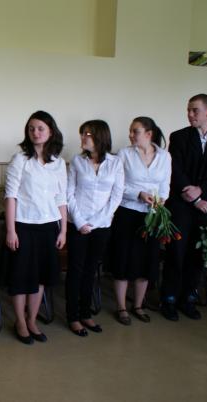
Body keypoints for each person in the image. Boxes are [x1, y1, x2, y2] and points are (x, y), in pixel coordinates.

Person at [161, 94, 207, 321]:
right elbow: (175, 170)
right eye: (188, 110)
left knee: (198, 254)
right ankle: (169, 299)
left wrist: (201, 190)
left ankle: (188, 299)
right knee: (176, 253)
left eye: (195, 110)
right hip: (181, 205)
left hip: (206, 206)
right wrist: (192, 197)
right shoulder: (179, 137)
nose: (190, 114)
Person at [3, 110, 67, 345]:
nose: (35, 132)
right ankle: (20, 321)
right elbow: (10, 196)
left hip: (49, 226)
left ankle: (32, 320)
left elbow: (61, 199)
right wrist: (11, 230)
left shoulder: (58, 163)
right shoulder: (20, 159)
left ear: (51, 131)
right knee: (21, 277)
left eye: (40, 128)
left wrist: (63, 230)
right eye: (31, 128)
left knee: (40, 277)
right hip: (23, 225)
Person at [109, 117, 171, 325]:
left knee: (147, 260)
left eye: (135, 131)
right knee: (123, 259)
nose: (130, 135)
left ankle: (138, 305)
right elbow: (118, 185)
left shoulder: (165, 156)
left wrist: (161, 200)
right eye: (130, 131)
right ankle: (121, 307)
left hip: (152, 215)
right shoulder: (124, 154)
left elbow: (165, 185)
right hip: (127, 213)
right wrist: (139, 194)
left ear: (148, 134)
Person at [66, 120, 123, 336]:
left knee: (91, 270)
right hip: (77, 224)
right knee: (76, 270)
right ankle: (73, 317)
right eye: (82, 134)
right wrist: (80, 222)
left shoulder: (116, 163)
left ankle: (85, 313)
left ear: (100, 136)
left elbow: (116, 196)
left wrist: (96, 222)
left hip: (102, 225)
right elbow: (69, 194)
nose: (82, 138)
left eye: (87, 134)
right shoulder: (77, 161)